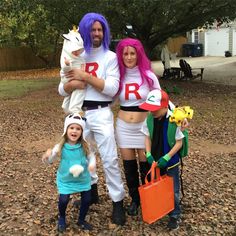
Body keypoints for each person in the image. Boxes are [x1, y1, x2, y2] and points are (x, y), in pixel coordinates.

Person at [58, 13, 126, 226]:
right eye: (93, 29)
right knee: (84, 157)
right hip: (79, 115)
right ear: (85, 30)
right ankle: (92, 192)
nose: (97, 33)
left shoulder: (110, 57)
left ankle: (117, 202)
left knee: (110, 158)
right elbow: (61, 89)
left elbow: (113, 89)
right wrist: (72, 85)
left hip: (101, 112)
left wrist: (85, 77)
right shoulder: (77, 53)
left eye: (100, 29)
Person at [115, 38, 161, 216]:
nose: (128, 57)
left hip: (144, 127)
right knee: (129, 166)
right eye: (125, 53)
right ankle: (135, 199)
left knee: (145, 165)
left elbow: (161, 98)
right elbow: (108, 97)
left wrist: (176, 115)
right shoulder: (118, 76)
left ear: (138, 54)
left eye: (132, 53)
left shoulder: (148, 76)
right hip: (124, 127)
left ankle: (149, 198)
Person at [139, 89, 186, 230]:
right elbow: (147, 136)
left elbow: (179, 142)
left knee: (173, 188)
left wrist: (167, 156)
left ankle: (175, 214)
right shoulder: (149, 118)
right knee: (158, 185)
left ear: (165, 106)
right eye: (150, 108)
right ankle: (161, 208)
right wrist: (148, 153)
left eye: (155, 109)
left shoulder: (174, 120)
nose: (152, 111)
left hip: (170, 161)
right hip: (155, 160)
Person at [42, 113, 96, 232]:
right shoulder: (60, 146)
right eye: (72, 128)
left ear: (82, 132)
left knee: (87, 199)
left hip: (83, 178)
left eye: (78, 129)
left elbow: (92, 157)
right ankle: (62, 217)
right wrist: (48, 156)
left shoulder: (85, 145)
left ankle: (81, 220)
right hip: (66, 179)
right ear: (66, 129)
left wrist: (92, 164)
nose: (74, 131)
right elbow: (50, 161)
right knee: (64, 199)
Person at [60, 27, 85, 114]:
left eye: (78, 50)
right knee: (80, 89)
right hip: (69, 77)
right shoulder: (67, 57)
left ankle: (66, 106)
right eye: (75, 50)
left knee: (74, 91)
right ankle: (75, 108)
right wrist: (67, 65)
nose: (77, 52)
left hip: (70, 77)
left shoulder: (77, 57)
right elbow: (65, 69)